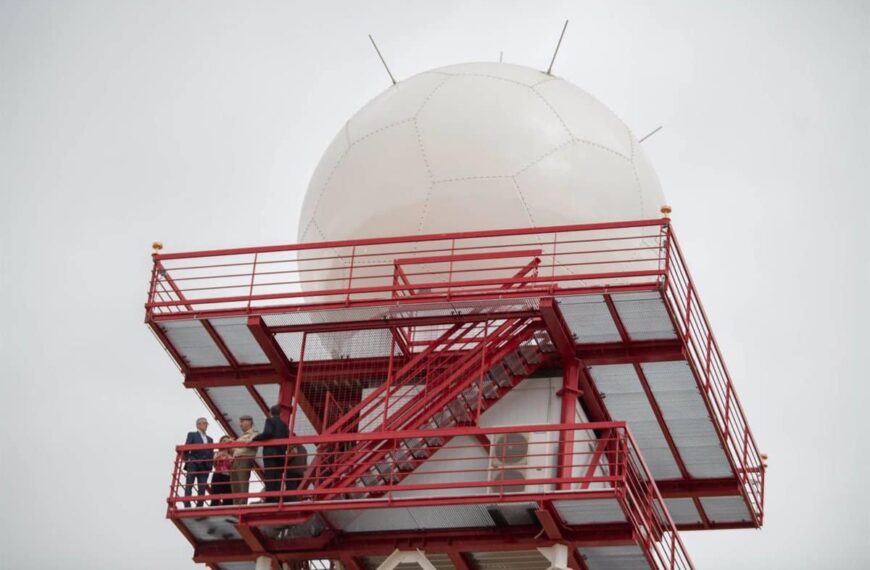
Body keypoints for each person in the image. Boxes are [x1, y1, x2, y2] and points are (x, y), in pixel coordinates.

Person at [252, 405, 290, 503]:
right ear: (280, 413)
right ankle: (275, 498)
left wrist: (256, 438)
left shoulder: (270, 420)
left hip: (271, 452)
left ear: (270, 412)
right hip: (281, 454)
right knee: (277, 476)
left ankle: (269, 498)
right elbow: (287, 438)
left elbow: (267, 433)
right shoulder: (284, 425)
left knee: (270, 475)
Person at [183, 417, 214, 507]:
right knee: (190, 483)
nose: (206, 425)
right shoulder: (192, 434)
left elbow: (211, 453)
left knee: (202, 486)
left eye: (206, 423)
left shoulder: (210, 439)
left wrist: (210, 464)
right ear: (198, 425)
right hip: (194, 462)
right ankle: (187, 504)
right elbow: (186, 448)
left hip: (205, 465)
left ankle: (200, 505)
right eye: (204, 423)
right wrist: (188, 459)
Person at [230, 414, 259, 505]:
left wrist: (235, 444)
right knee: (234, 483)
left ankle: (242, 503)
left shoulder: (254, 434)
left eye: (242, 421)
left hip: (244, 459)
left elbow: (249, 444)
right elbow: (234, 450)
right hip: (236, 460)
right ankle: (236, 503)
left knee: (242, 481)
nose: (240, 424)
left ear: (249, 422)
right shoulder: (241, 437)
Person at [209, 436, 233, 506]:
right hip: (218, 475)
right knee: (215, 496)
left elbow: (233, 462)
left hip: (228, 476)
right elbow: (215, 461)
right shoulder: (217, 453)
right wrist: (224, 452)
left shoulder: (232, 454)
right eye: (224, 441)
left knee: (228, 499)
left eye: (227, 441)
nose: (226, 442)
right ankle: (212, 511)